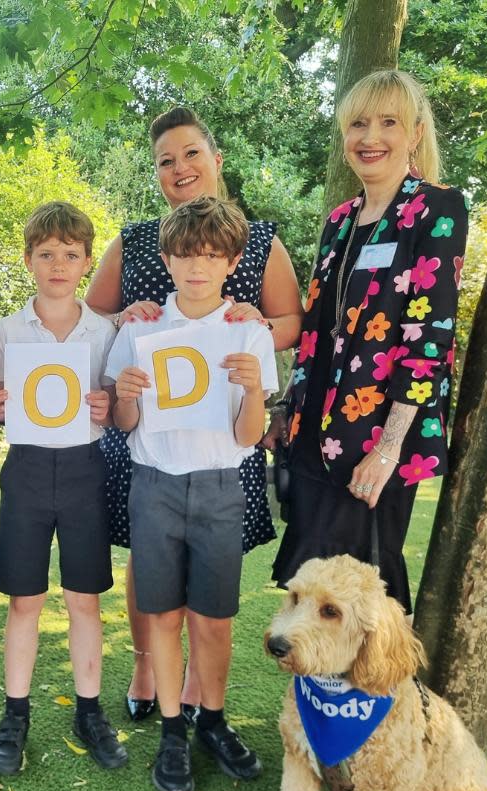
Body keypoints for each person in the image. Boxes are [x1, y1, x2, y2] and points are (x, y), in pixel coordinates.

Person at [84, 106, 303, 722]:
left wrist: (255, 324)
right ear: (156, 173)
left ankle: (201, 705)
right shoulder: (135, 240)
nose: (180, 168)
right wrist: (123, 319)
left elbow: (292, 322)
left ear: (215, 159)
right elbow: (91, 317)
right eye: (166, 160)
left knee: (212, 589)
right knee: (145, 562)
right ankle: (148, 668)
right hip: (150, 434)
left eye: (190, 154)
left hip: (222, 434)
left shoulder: (260, 241)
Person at [266, 70, 468, 613]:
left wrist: (387, 448)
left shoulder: (435, 210)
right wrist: (288, 407)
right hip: (315, 431)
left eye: (387, 123)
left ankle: (373, 700)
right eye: (358, 123)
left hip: (377, 436)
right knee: (309, 590)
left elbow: (430, 335)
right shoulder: (340, 221)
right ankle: (309, 701)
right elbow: (315, 329)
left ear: (415, 133)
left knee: (360, 596)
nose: (370, 137)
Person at [105, 195, 278, 791]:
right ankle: (173, 731)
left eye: (210, 256)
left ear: (232, 261)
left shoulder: (249, 330)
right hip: (152, 485)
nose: (197, 267)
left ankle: (213, 719)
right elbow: (124, 423)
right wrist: (125, 393)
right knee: (162, 612)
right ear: (167, 257)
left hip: (220, 488)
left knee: (214, 619)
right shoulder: (142, 326)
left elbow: (249, 436)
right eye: (185, 255)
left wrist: (255, 390)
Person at [0, 202, 127, 775]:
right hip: (25, 471)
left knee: (84, 598)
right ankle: (15, 713)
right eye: (46, 254)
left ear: (87, 261)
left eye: (71, 254)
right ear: (29, 260)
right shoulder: (7, 330)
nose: (59, 265)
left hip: (86, 471)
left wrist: (108, 404)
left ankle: (88, 710)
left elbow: (120, 409)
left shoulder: (107, 330)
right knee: (25, 599)